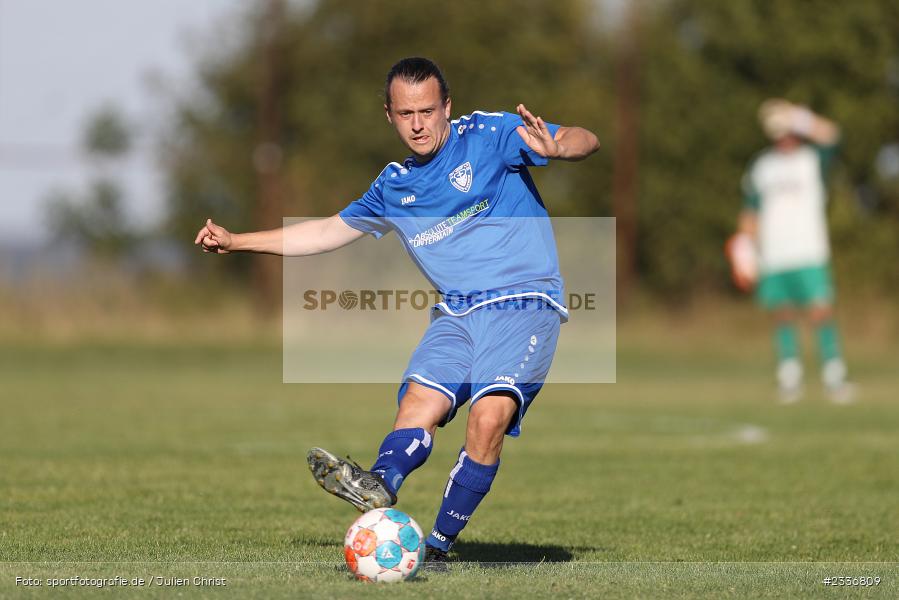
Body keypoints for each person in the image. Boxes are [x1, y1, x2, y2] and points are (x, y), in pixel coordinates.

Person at [194, 57, 599, 565]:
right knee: (416, 407)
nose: (418, 124)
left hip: (523, 303)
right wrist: (237, 241)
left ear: (446, 106)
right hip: (456, 315)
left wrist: (560, 147)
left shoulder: (490, 135)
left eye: (428, 111)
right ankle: (379, 486)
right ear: (389, 114)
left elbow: (588, 138)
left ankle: (437, 548)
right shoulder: (393, 186)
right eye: (405, 113)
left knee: (487, 419)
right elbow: (324, 232)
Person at [731, 98, 852, 403]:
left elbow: (833, 135)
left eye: (787, 131)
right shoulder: (761, 166)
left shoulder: (812, 159)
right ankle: (790, 377)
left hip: (809, 251)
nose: (783, 138)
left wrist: (796, 114)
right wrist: (744, 249)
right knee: (782, 315)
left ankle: (834, 377)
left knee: (820, 312)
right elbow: (750, 212)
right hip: (774, 255)